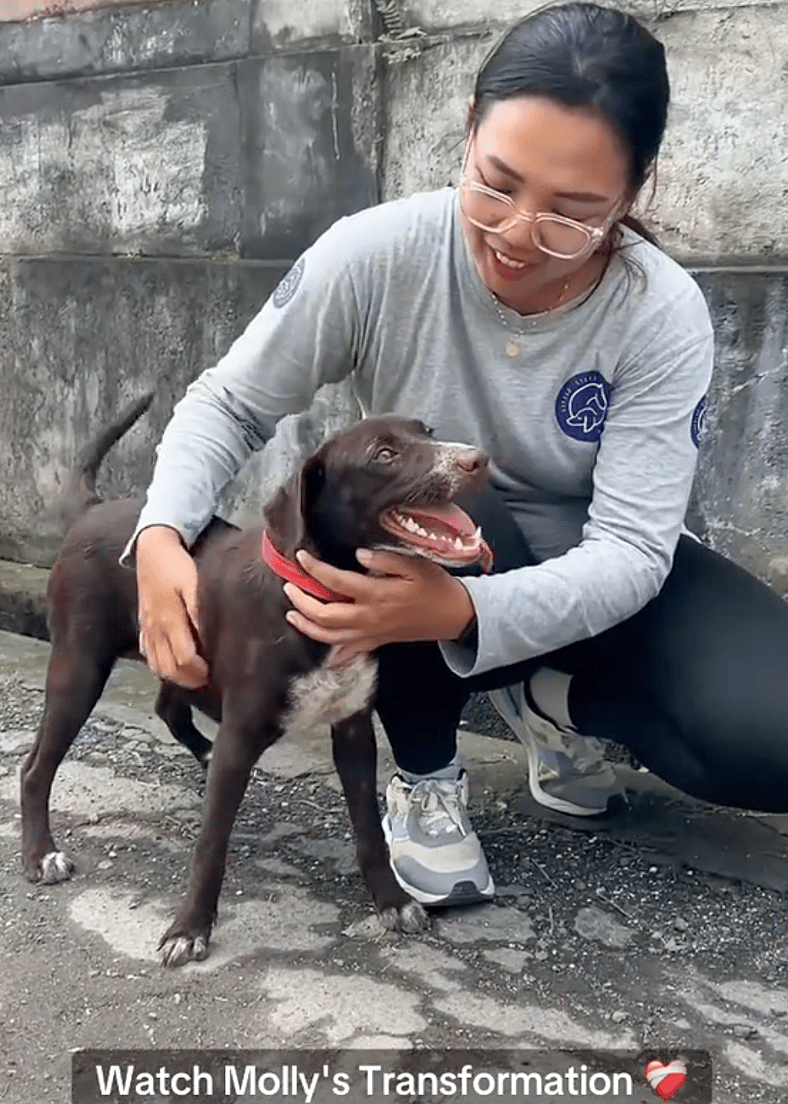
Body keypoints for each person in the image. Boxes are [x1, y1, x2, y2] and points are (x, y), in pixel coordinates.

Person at [127, 1, 788, 910]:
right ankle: (429, 775)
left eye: (573, 215)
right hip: (430, 547)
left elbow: (635, 551)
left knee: (770, 731)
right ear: (470, 126)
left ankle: (552, 706)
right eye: (495, 184)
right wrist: (162, 532)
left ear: (632, 196)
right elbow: (231, 401)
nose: (518, 234)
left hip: (587, 570)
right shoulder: (376, 254)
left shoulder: (659, 312)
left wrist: (469, 609)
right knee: (447, 516)